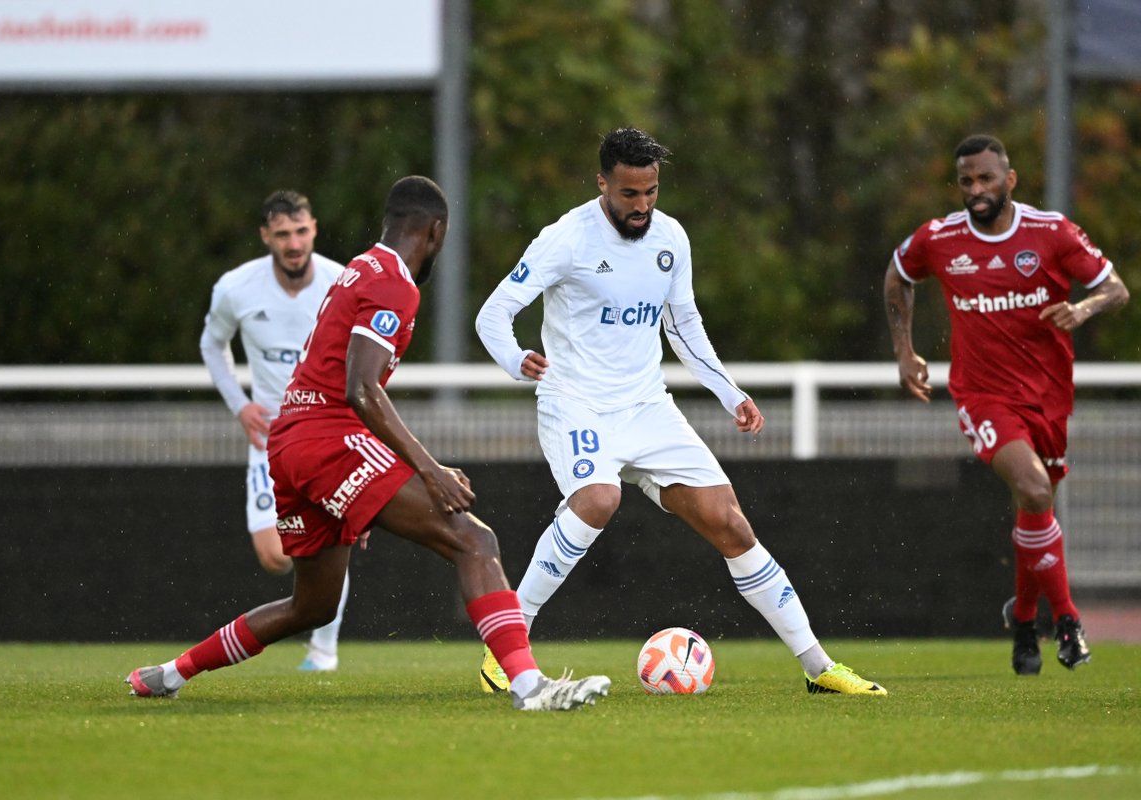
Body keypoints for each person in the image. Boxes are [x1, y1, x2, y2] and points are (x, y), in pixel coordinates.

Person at [129, 176, 612, 712]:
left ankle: (171, 674)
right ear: (435, 232)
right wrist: (428, 470)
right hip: (326, 438)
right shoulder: (394, 285)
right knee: (475, 542)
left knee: (310, 606)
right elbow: (359, 389)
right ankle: (529, 687)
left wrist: (376, 484)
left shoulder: (361, 267)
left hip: (292, 441)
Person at [475, 127, 886, 697]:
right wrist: (516, 359)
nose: (641, 207)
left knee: (730, 523)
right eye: (628, 195)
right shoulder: (565, 239)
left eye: (650, 193)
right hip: (577, 404)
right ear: (602, 184)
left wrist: (730, 392)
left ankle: (820, 668)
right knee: (598, 499)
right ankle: (510, 644)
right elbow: (492, 315)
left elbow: (683, 326)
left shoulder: (671, 237)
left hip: (648, 407)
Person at [883, 134, 1129, 676]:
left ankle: (1021, 619)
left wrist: (1082, 310)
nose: (976, 190)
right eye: (967, 181)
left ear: (1009, 180)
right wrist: (905, 353)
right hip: (983, 394)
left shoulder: (1051, 232)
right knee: (1036, 489)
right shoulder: (941, 238)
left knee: (1034, 507)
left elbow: (1116, 289)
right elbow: (898, 274)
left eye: (986, 179)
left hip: (1048, 396)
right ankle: (1067, 620)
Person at [199, 189, 349, 672]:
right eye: (282, 234)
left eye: (301, 231)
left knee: (326, 540)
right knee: (275, 556)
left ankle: (323, 651)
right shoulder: (236, 288)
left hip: (324, 433)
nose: (293, 242)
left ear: (314, 230)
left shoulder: (340, 282)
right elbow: (212, 345)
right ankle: (320, 606)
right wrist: (241, 407)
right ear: (266, 236)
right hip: (271, 440)